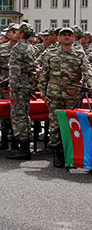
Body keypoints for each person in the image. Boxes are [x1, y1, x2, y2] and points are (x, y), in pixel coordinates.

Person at [38, 27, 92, 167]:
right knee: (55, 125)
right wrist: (43, 94)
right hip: (54, 95)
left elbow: (87, 72)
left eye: (69, 35)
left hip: (73, 95)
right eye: (64, 35)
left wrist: (89, 84)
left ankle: (72, 155)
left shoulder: (79, 54)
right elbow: (43, 75)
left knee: (73, 124)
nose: (67, 37)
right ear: (59, 38)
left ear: (74, 38)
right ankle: (57, 154)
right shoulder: (50, 54)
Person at [7, 23, 38, 160]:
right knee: (25, 115)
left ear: (22, 34)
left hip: (18, 86)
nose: (16, 33)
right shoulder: (31, 48)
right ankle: (25, 146)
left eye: (18, 31)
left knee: (18, 116)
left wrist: (12, 91)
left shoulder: (17, 48)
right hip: (27, 84)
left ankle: (23, 149)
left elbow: (14, 71)